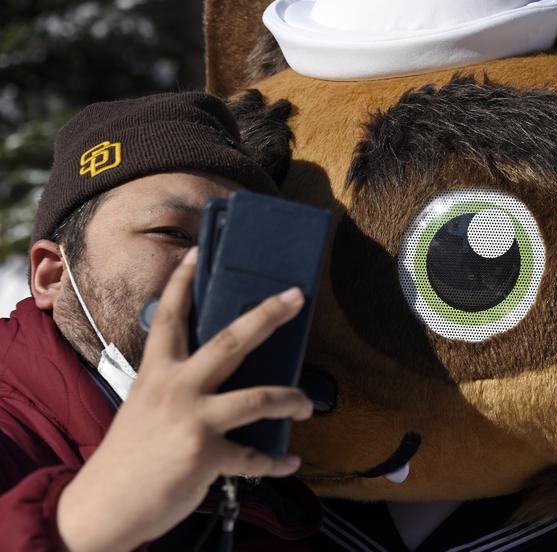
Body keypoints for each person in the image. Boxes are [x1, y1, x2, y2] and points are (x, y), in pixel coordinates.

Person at [0, 91, 322, 550]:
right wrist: (91, 515)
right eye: (173, 233)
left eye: (237, 250)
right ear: (51, 275)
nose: (210, 271)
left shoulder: (281, 491)